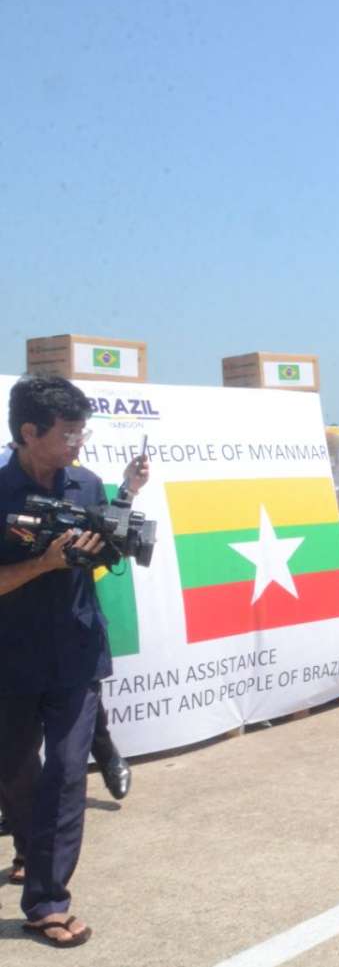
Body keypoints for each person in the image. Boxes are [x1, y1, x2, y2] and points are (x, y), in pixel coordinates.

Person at [0, 375, 149, 947]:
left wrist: (107, 539)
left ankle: (47, 902)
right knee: (17, 774)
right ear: (28, 432)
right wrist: (44, 562)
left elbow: (104, 547)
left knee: (65, 773)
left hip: (76, 651)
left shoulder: (86, 484)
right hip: (9, 659)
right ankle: (27, 849)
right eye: (67, 434)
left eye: (82, 433)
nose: (77, 444)